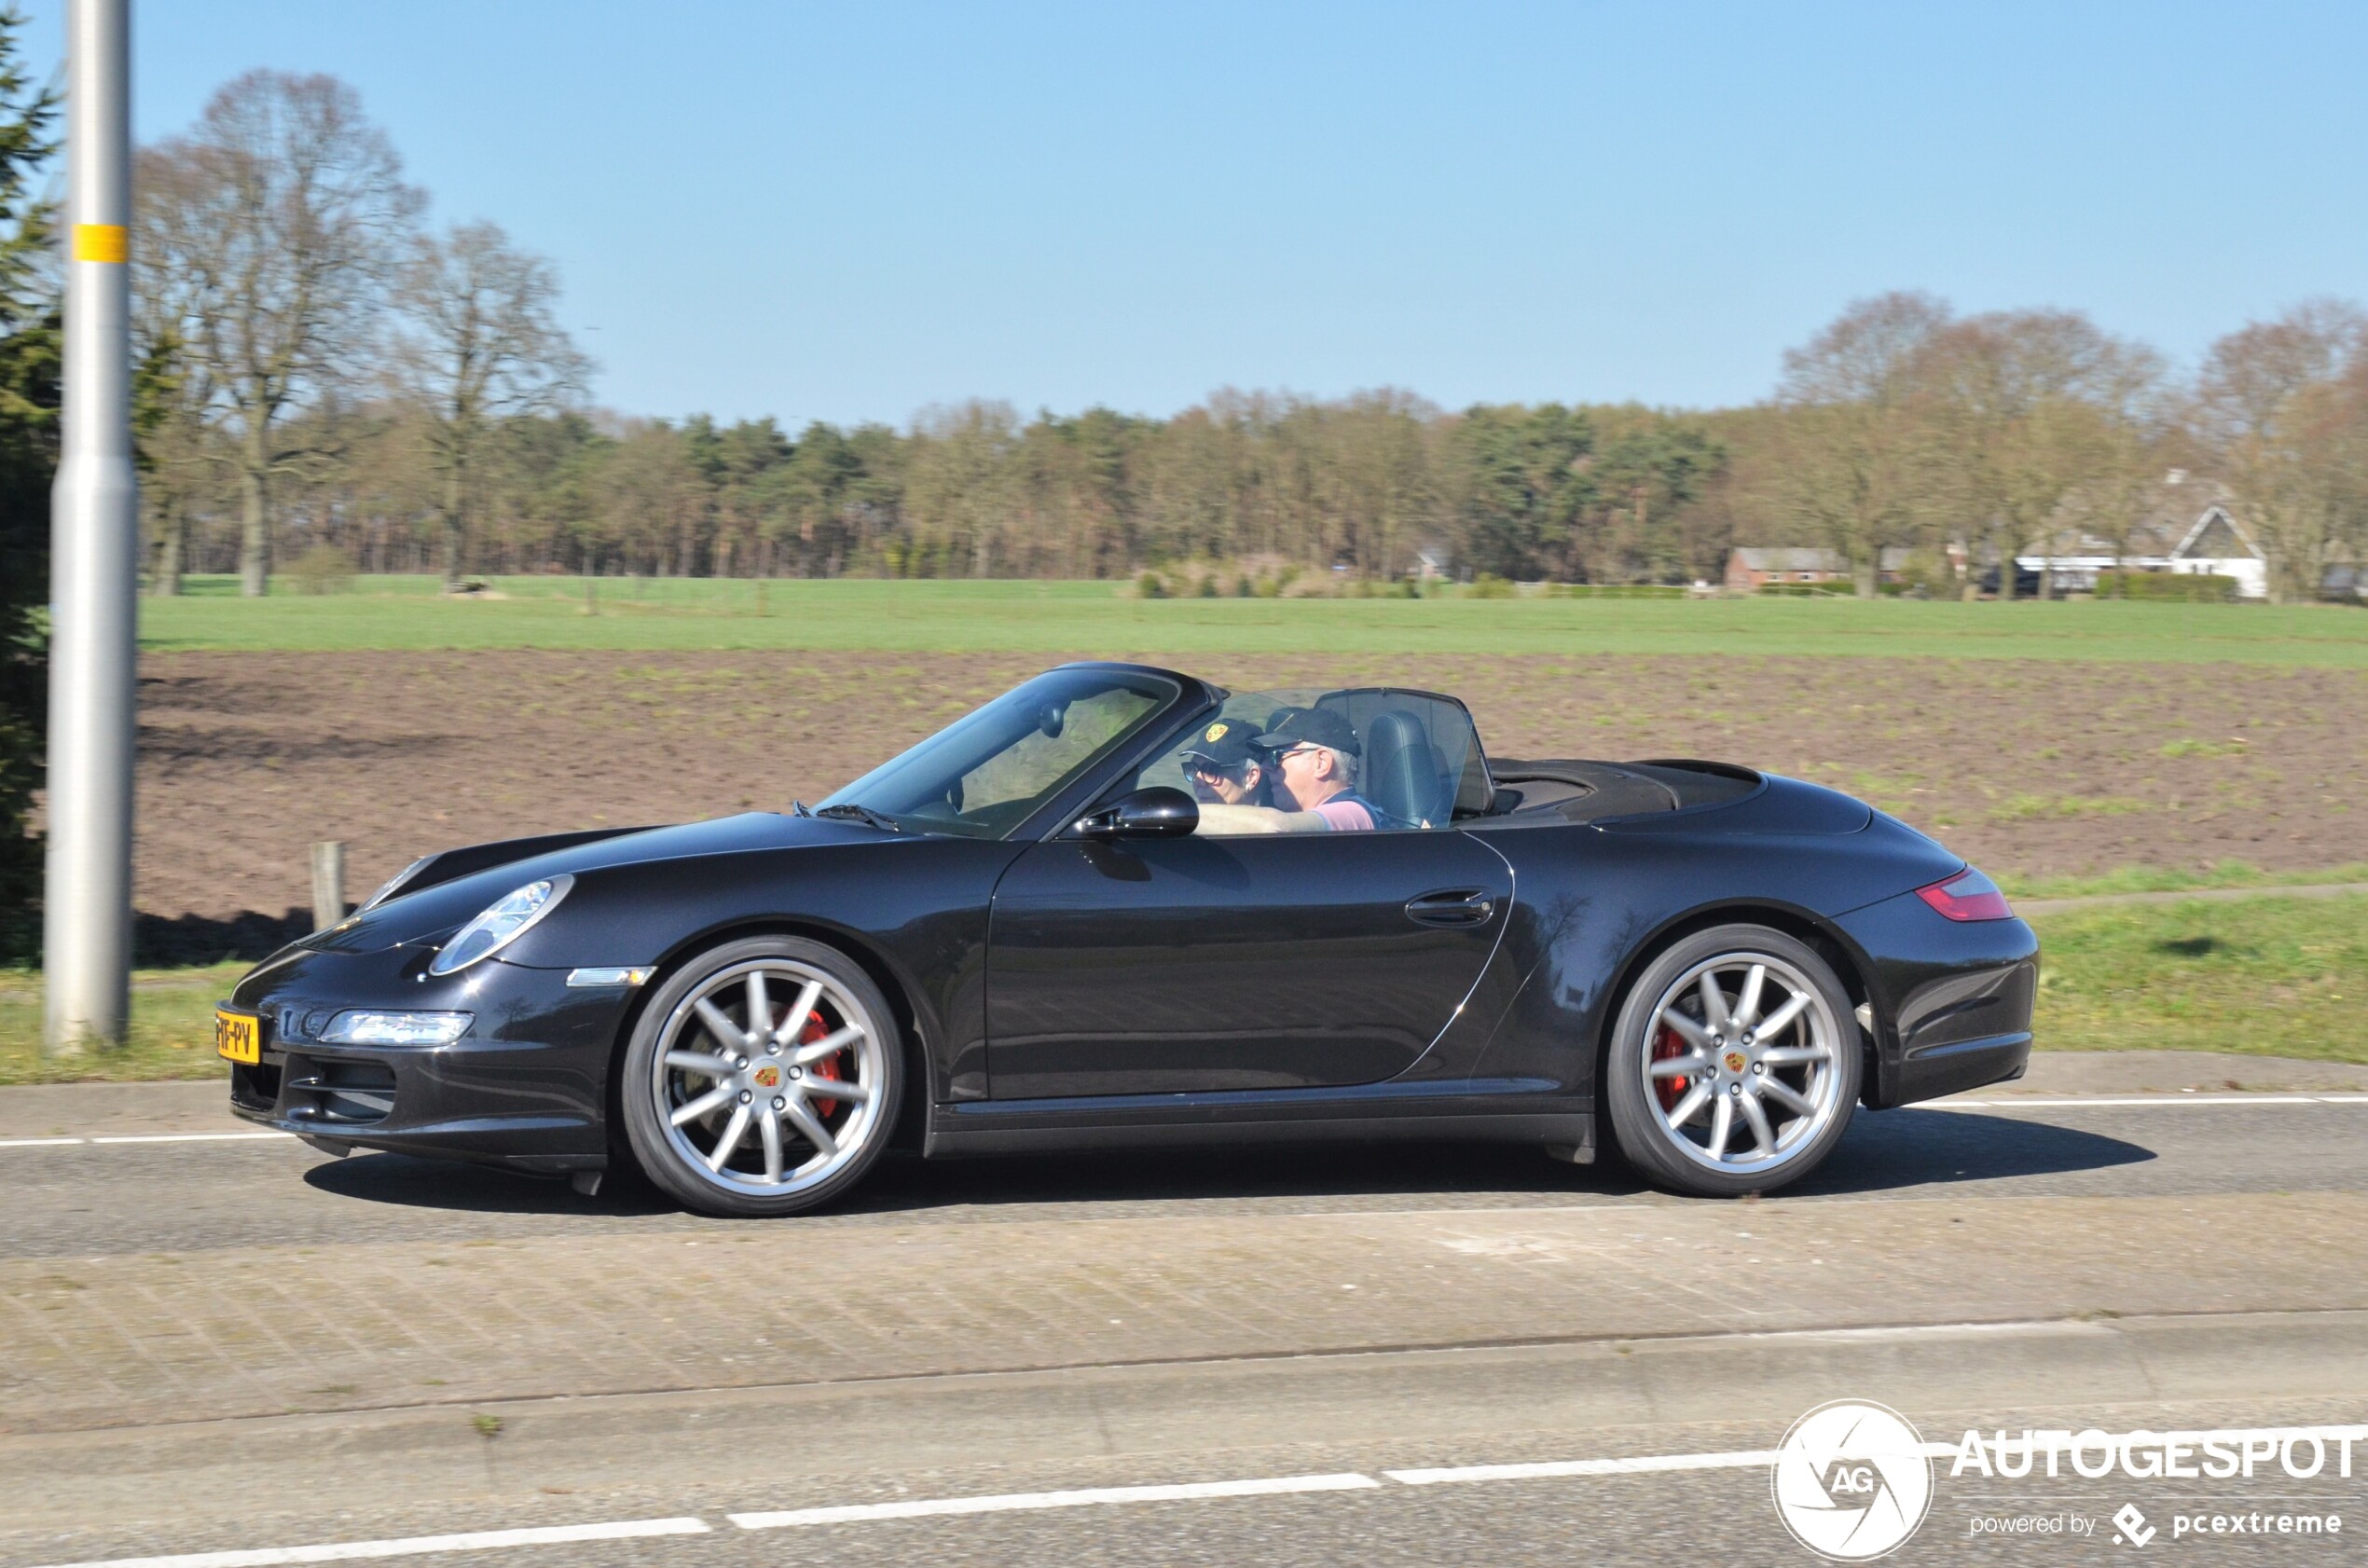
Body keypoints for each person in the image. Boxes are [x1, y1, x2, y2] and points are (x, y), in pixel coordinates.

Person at [1193, 707, 1389, 833]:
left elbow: (1274, 827)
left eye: (1276, 757)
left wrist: (1180, 815)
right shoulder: (1307, 818)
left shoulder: (1354, 812)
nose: (1266, 767)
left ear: (1321, 763)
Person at [1177, 717, 1272, 807]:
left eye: (1210, 770)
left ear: (1251, 777)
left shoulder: (1273, 823)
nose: (1198, 780)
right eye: (1192, 769)